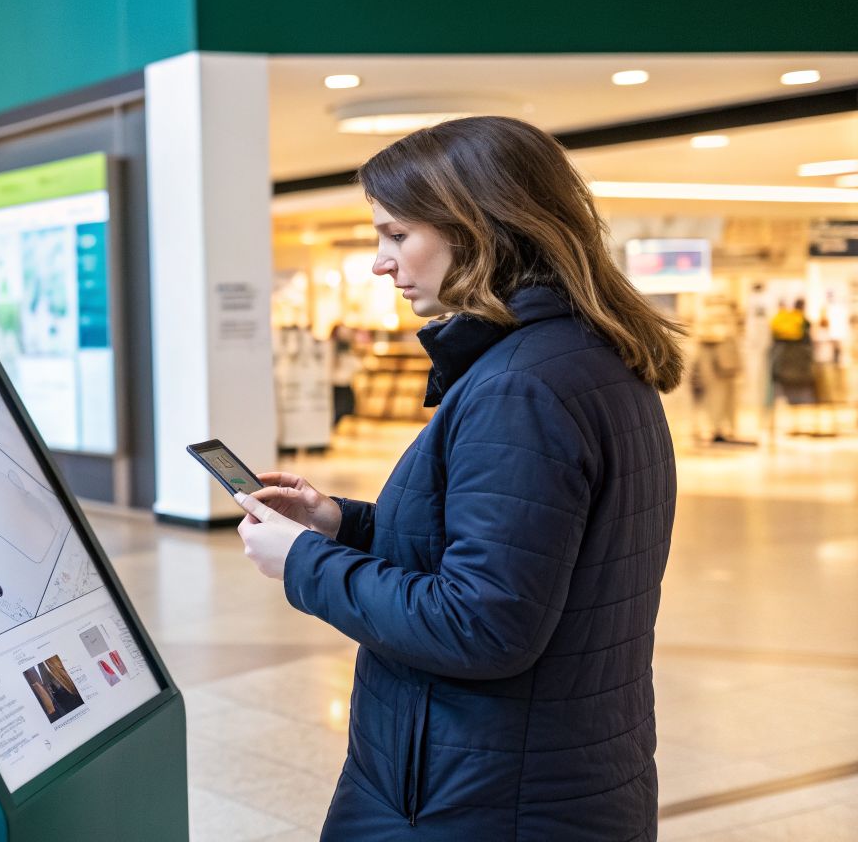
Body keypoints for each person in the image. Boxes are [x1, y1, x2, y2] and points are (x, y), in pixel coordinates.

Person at [230, 116, 682, 838]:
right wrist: (340, 524)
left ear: (478, 230)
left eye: (396, 235)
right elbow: (508, 549)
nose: (382, 262)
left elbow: (482, 624)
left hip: (475, 795)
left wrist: (303, 563)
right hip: (541, 772)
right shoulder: (585, 358)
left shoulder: (520, 388)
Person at [328, 325, 361, 436]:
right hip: (338, 382)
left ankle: (332, 426)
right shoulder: (333, 347)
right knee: (341, 407)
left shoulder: (345, 348)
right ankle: (331, 426)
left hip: (343, 382)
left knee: (346, 407)